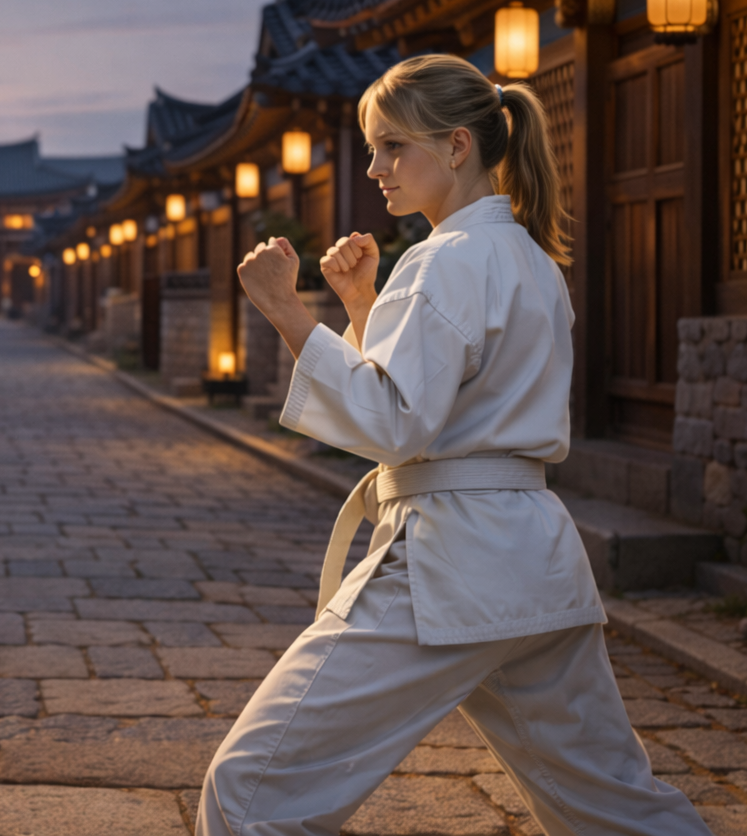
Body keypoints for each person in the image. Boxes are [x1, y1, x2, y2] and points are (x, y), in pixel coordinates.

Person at [199, 54, 710, 835]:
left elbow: (394, 424)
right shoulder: (530, 261)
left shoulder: (441, 261)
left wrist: (287, 311)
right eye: (373, 149)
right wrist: (363, 305)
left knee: (251, 793)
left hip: (449, 557)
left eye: (393, 146)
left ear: (459, 146)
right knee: (616, 807)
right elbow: (440, 399)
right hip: (533, 558)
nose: (375, 168)